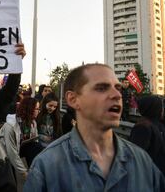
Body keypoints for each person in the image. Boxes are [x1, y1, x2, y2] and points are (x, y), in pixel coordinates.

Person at [24, 64, 165, 191]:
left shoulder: (142, 162)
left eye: (118, 88)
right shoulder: (46, 166)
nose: (116, 95)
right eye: (102, 88)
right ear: (73, 99)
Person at [0, 96, 41, 191]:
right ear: (29, 109)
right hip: (4, 155)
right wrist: (24, 173)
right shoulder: (10, 126)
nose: (39, 111)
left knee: (36, 146)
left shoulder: (33, 122)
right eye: (37, 109)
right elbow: (11, 153)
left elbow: (35, 142)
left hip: (19, 148)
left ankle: (36, 174)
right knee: (12, 185)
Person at [129, 95, 165, 175]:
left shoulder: (158, 124)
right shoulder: (143, 127)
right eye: (161, 106)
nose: (162, 109)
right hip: (151, 176)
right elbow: (136, 158)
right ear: (154, 108)